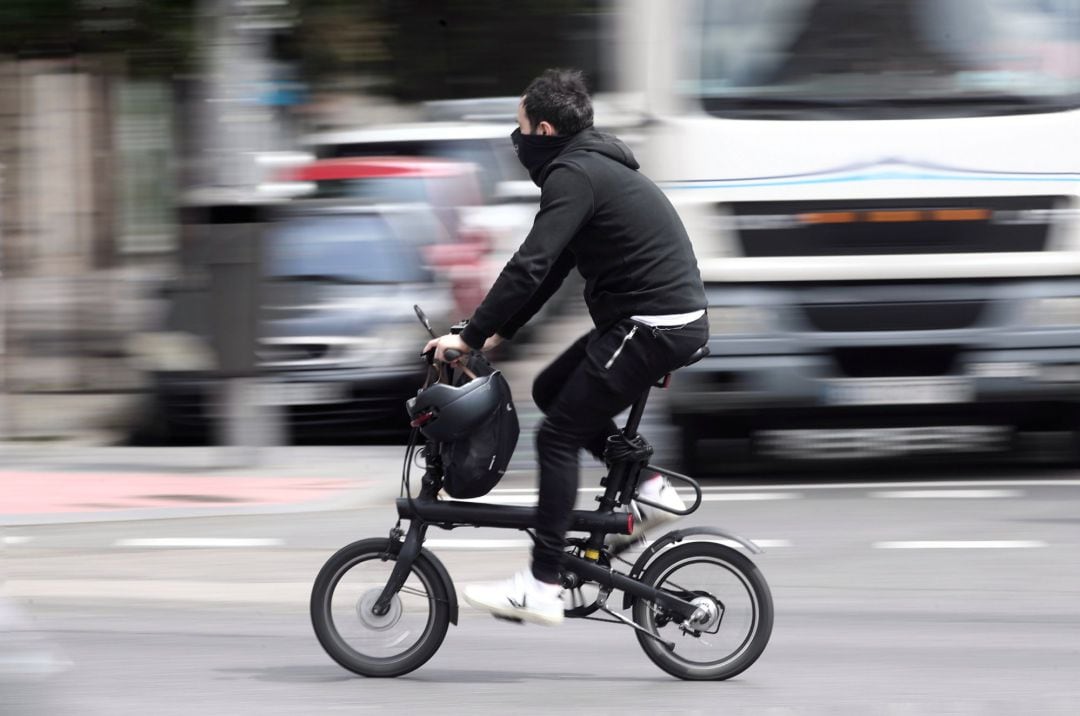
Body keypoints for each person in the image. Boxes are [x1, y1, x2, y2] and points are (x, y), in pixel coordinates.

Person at [424, 69, 708, 626]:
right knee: (552, 388)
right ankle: (646, 485)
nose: (516, 140)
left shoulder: (573, 174)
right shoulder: (588, 167)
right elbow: (554, 268)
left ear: (545, 129)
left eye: (520, 128)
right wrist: (502, 330)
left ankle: (543, 582)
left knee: (556, 436)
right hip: (648, 320)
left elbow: (528, 263)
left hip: (653, 324)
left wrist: (473, 334)